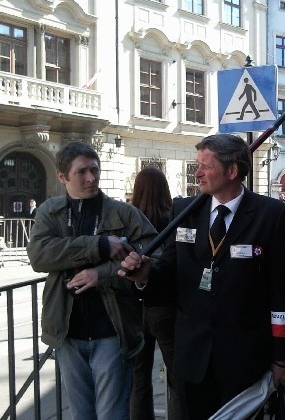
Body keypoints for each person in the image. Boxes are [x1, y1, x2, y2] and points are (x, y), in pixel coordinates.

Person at [119, 133, 285, 419]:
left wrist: (282, 356)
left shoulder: (269, 213)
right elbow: (170, 273)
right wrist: (146, 273)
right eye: (197, 164)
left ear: (232, 171)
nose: (197, 172)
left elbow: (282, 291)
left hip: (245, 356)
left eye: (206, 165)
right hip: (192, 356)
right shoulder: (185, 210)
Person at [26, 141, 158, 420]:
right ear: (62, 177)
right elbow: (40, 255)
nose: (91, 178)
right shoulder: (50, 212)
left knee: (113, 414)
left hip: (112, 331)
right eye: (82, 172)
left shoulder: (124, 213)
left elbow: (152, 251)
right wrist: (98, 245)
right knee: (80, 413)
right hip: (67, 332)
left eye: (95, 170)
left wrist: (103, 273)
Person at [129, 166, 180, 419]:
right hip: (165, 305)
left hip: (135, 306)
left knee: (139, 377)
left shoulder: (129, 218)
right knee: (177, 375)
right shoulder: (173, 217)